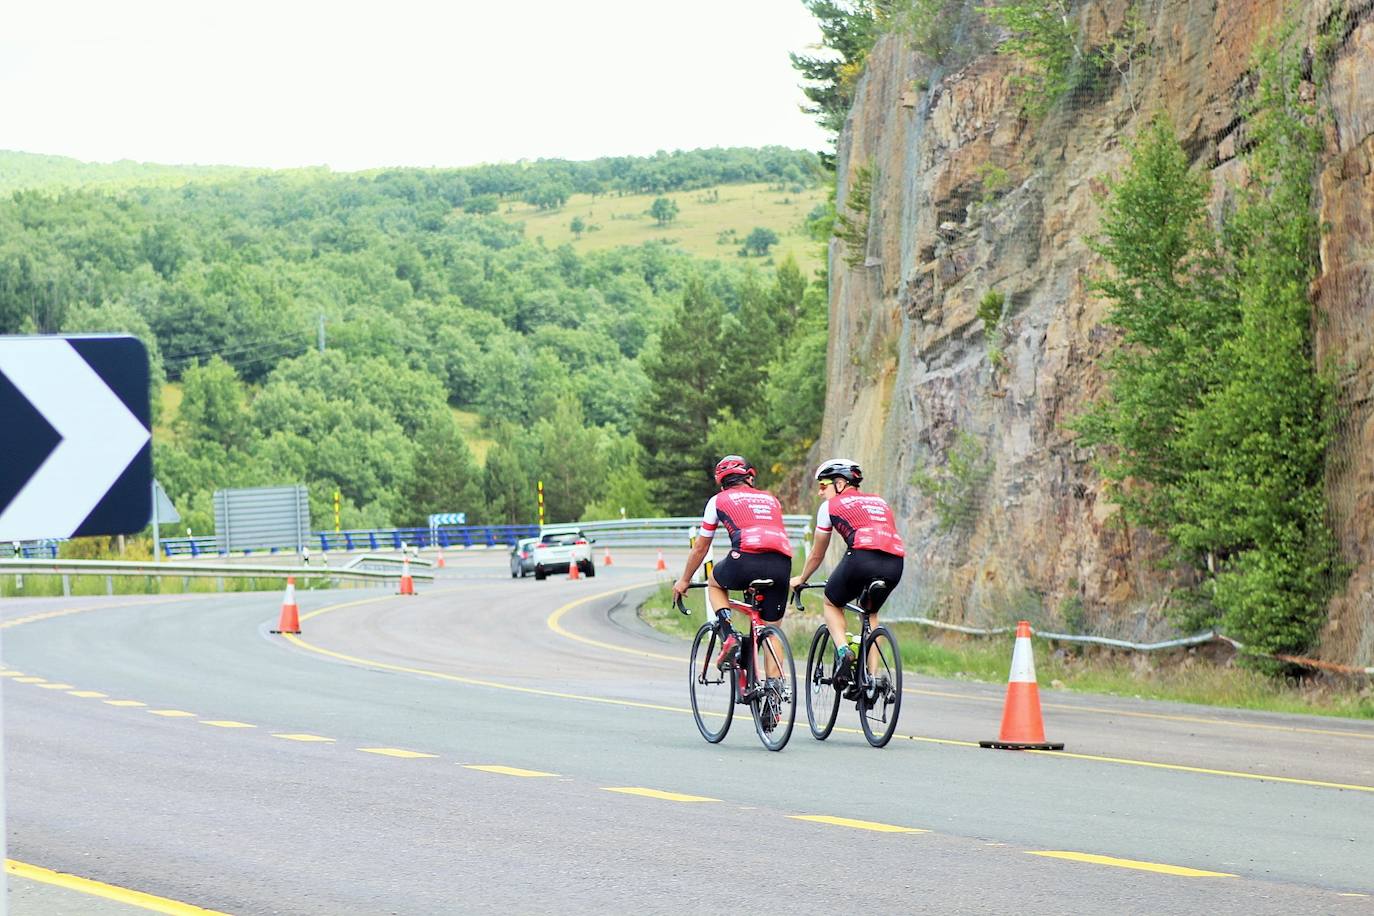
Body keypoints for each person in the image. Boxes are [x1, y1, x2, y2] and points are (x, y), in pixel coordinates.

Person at [672, 456, 793, 679]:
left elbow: (701, 547)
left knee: (715, 583)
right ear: (750, 478)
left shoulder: (718, 500)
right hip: (781, 563)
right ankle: (773, 695)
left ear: (722, 483)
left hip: (745, 559)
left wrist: (684, 580)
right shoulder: (771, 499)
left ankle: (729, 635)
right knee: (772, 630)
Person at [790, 458, 904, 692]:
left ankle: (844, 652)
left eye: (823, 486)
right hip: (895, 562)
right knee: (870, 613)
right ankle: (872, 679)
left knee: (831, 601)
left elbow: (817, 554)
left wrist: (801, 578)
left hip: (862, 557)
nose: (820, 493)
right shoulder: (880, 502)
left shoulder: (830, 507)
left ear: (840, 484)